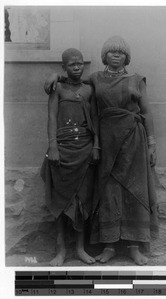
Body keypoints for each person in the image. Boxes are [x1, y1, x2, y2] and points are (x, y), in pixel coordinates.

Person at [44, 36, 159, 265]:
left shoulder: (137, 80)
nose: (116, 55)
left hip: (134, 141)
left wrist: (151, 144)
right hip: (106, 141)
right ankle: (109, 246)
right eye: (111, 52)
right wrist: (56, 75)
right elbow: (73, 79)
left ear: (127, 56)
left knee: (134, 191)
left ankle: (135, 247)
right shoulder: (95, 79)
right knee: (108, 192)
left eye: (121, 52)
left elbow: (146, 112)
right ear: (104, 56)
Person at [41, 48, 100, 266]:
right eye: (72, 64)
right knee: (60, 201)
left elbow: (95, 120)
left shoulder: (88, 90)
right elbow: (51, 118)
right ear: (63, 66)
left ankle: (80, 248)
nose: (77, 67)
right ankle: (61, 250)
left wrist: (96, 146)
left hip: (84, 150)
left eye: (80, 63)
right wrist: (52, 147)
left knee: (81, 202)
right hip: (61, 151)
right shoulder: (57, 89)